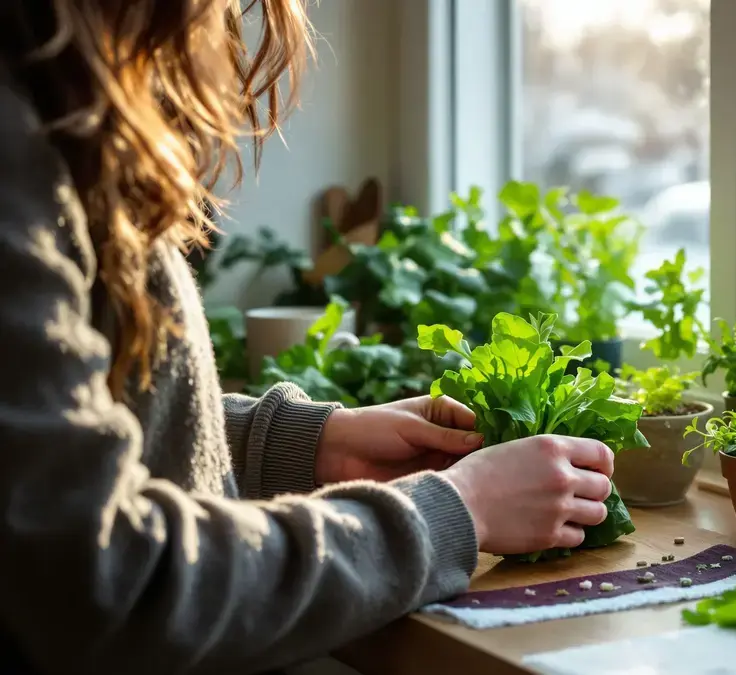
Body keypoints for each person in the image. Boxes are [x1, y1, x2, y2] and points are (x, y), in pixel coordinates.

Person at [0, 2, 615, 674]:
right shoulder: (14, 144)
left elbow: (61, 450)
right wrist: (457, 510)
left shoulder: (42, 108)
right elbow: (104, 583)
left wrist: (304, 444)